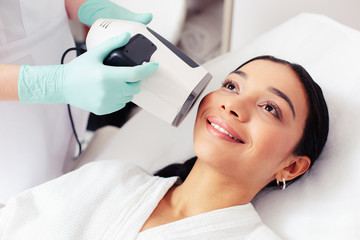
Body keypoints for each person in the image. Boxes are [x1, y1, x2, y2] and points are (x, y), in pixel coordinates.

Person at [0, 56, 329, 239]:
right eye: (231, 85)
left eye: (270, 108)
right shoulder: (110, 178)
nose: (233, 105)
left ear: (292, 166)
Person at [0, 0, 158, 203]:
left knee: (61, 163)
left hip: (61, 69)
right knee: (27, 198)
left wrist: (89, 8)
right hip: (12, 118)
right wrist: (54, 83)